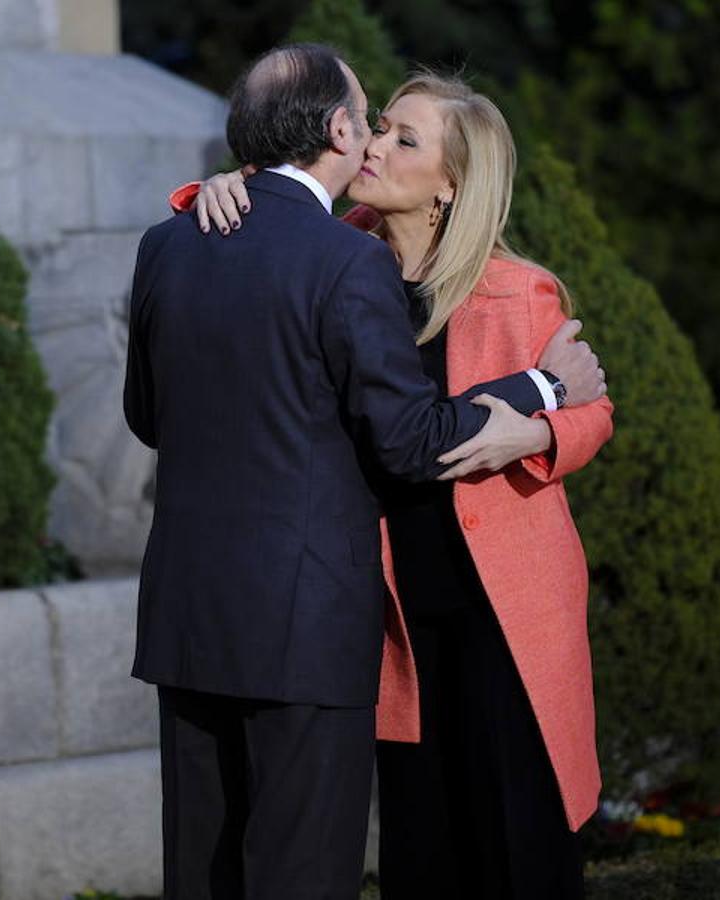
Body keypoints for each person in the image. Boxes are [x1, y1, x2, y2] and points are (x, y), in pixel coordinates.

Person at [128, 45, 606, 899]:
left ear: (452, 183)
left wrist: (531, 434)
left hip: (495, 601)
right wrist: (212, 188)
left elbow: (590, 401)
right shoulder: (347, 254)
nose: (378, 145)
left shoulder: (514, 290)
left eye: (405, 139)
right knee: (417, 849)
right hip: (384, 607)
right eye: (378, 125)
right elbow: (269, 243)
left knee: (514, 838)